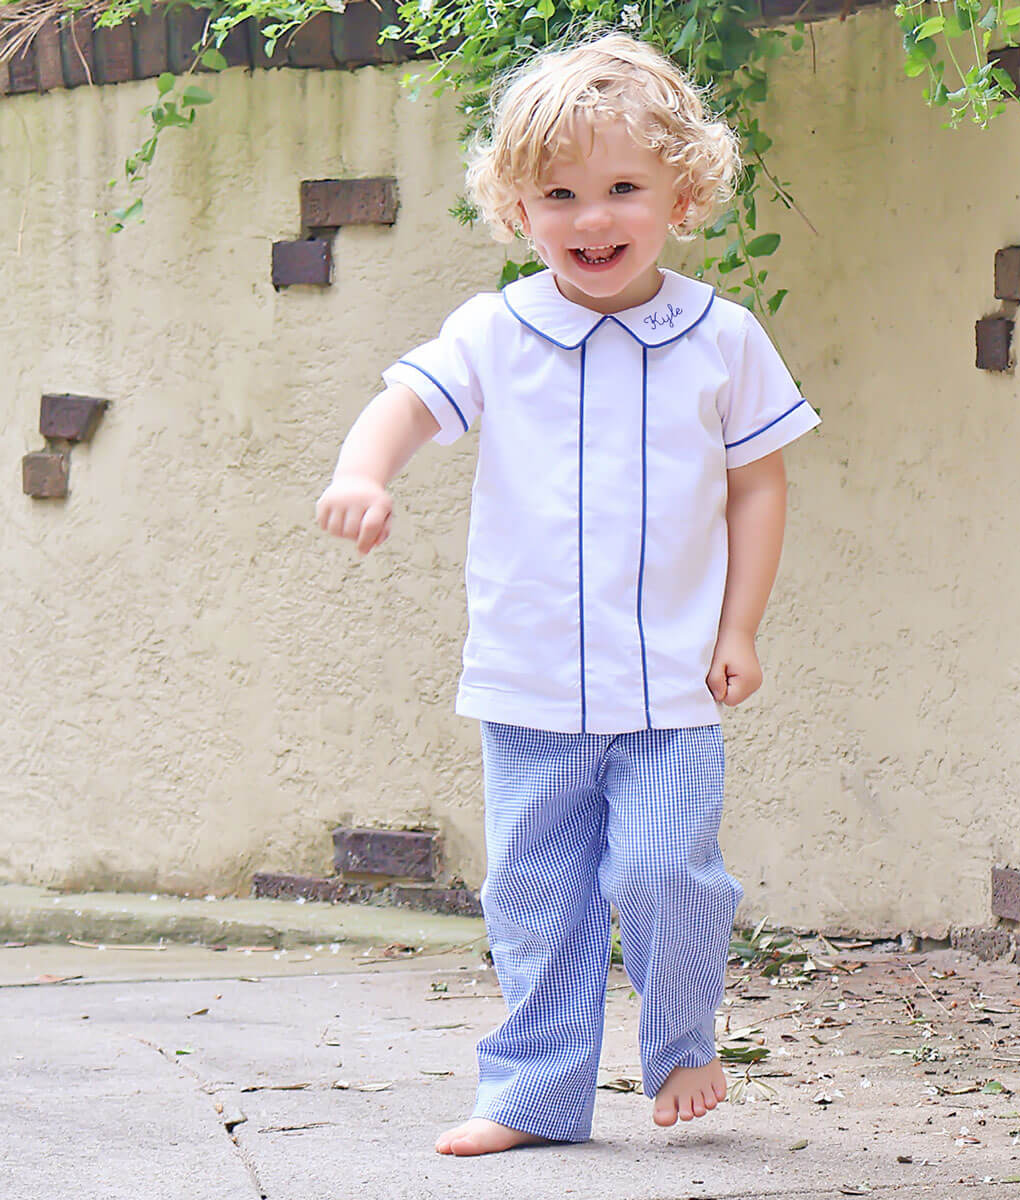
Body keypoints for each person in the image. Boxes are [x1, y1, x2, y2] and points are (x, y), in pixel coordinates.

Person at [315, 31, 820, 1156]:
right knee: (536, 899)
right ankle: (535, 1096)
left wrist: (740, 626)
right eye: (561, 195)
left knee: (662, 872)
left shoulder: (722, 339)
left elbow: (758, 489)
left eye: (623, 189)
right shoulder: (497, 331)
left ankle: (684, 1038)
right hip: (530, 683)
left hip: (673, 686)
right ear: (517, 207)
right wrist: (363, 472)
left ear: (682, 193)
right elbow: (403, 403)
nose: (593, 219)